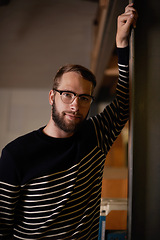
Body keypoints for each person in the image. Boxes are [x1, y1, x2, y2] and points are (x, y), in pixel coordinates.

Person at [0, 3, 138, 240]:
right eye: (68, 95)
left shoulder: (95, 134)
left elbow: (123, 102)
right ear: (52, 96)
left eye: (84, 98)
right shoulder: (16, 154)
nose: (75, 104)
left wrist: (122, 45)